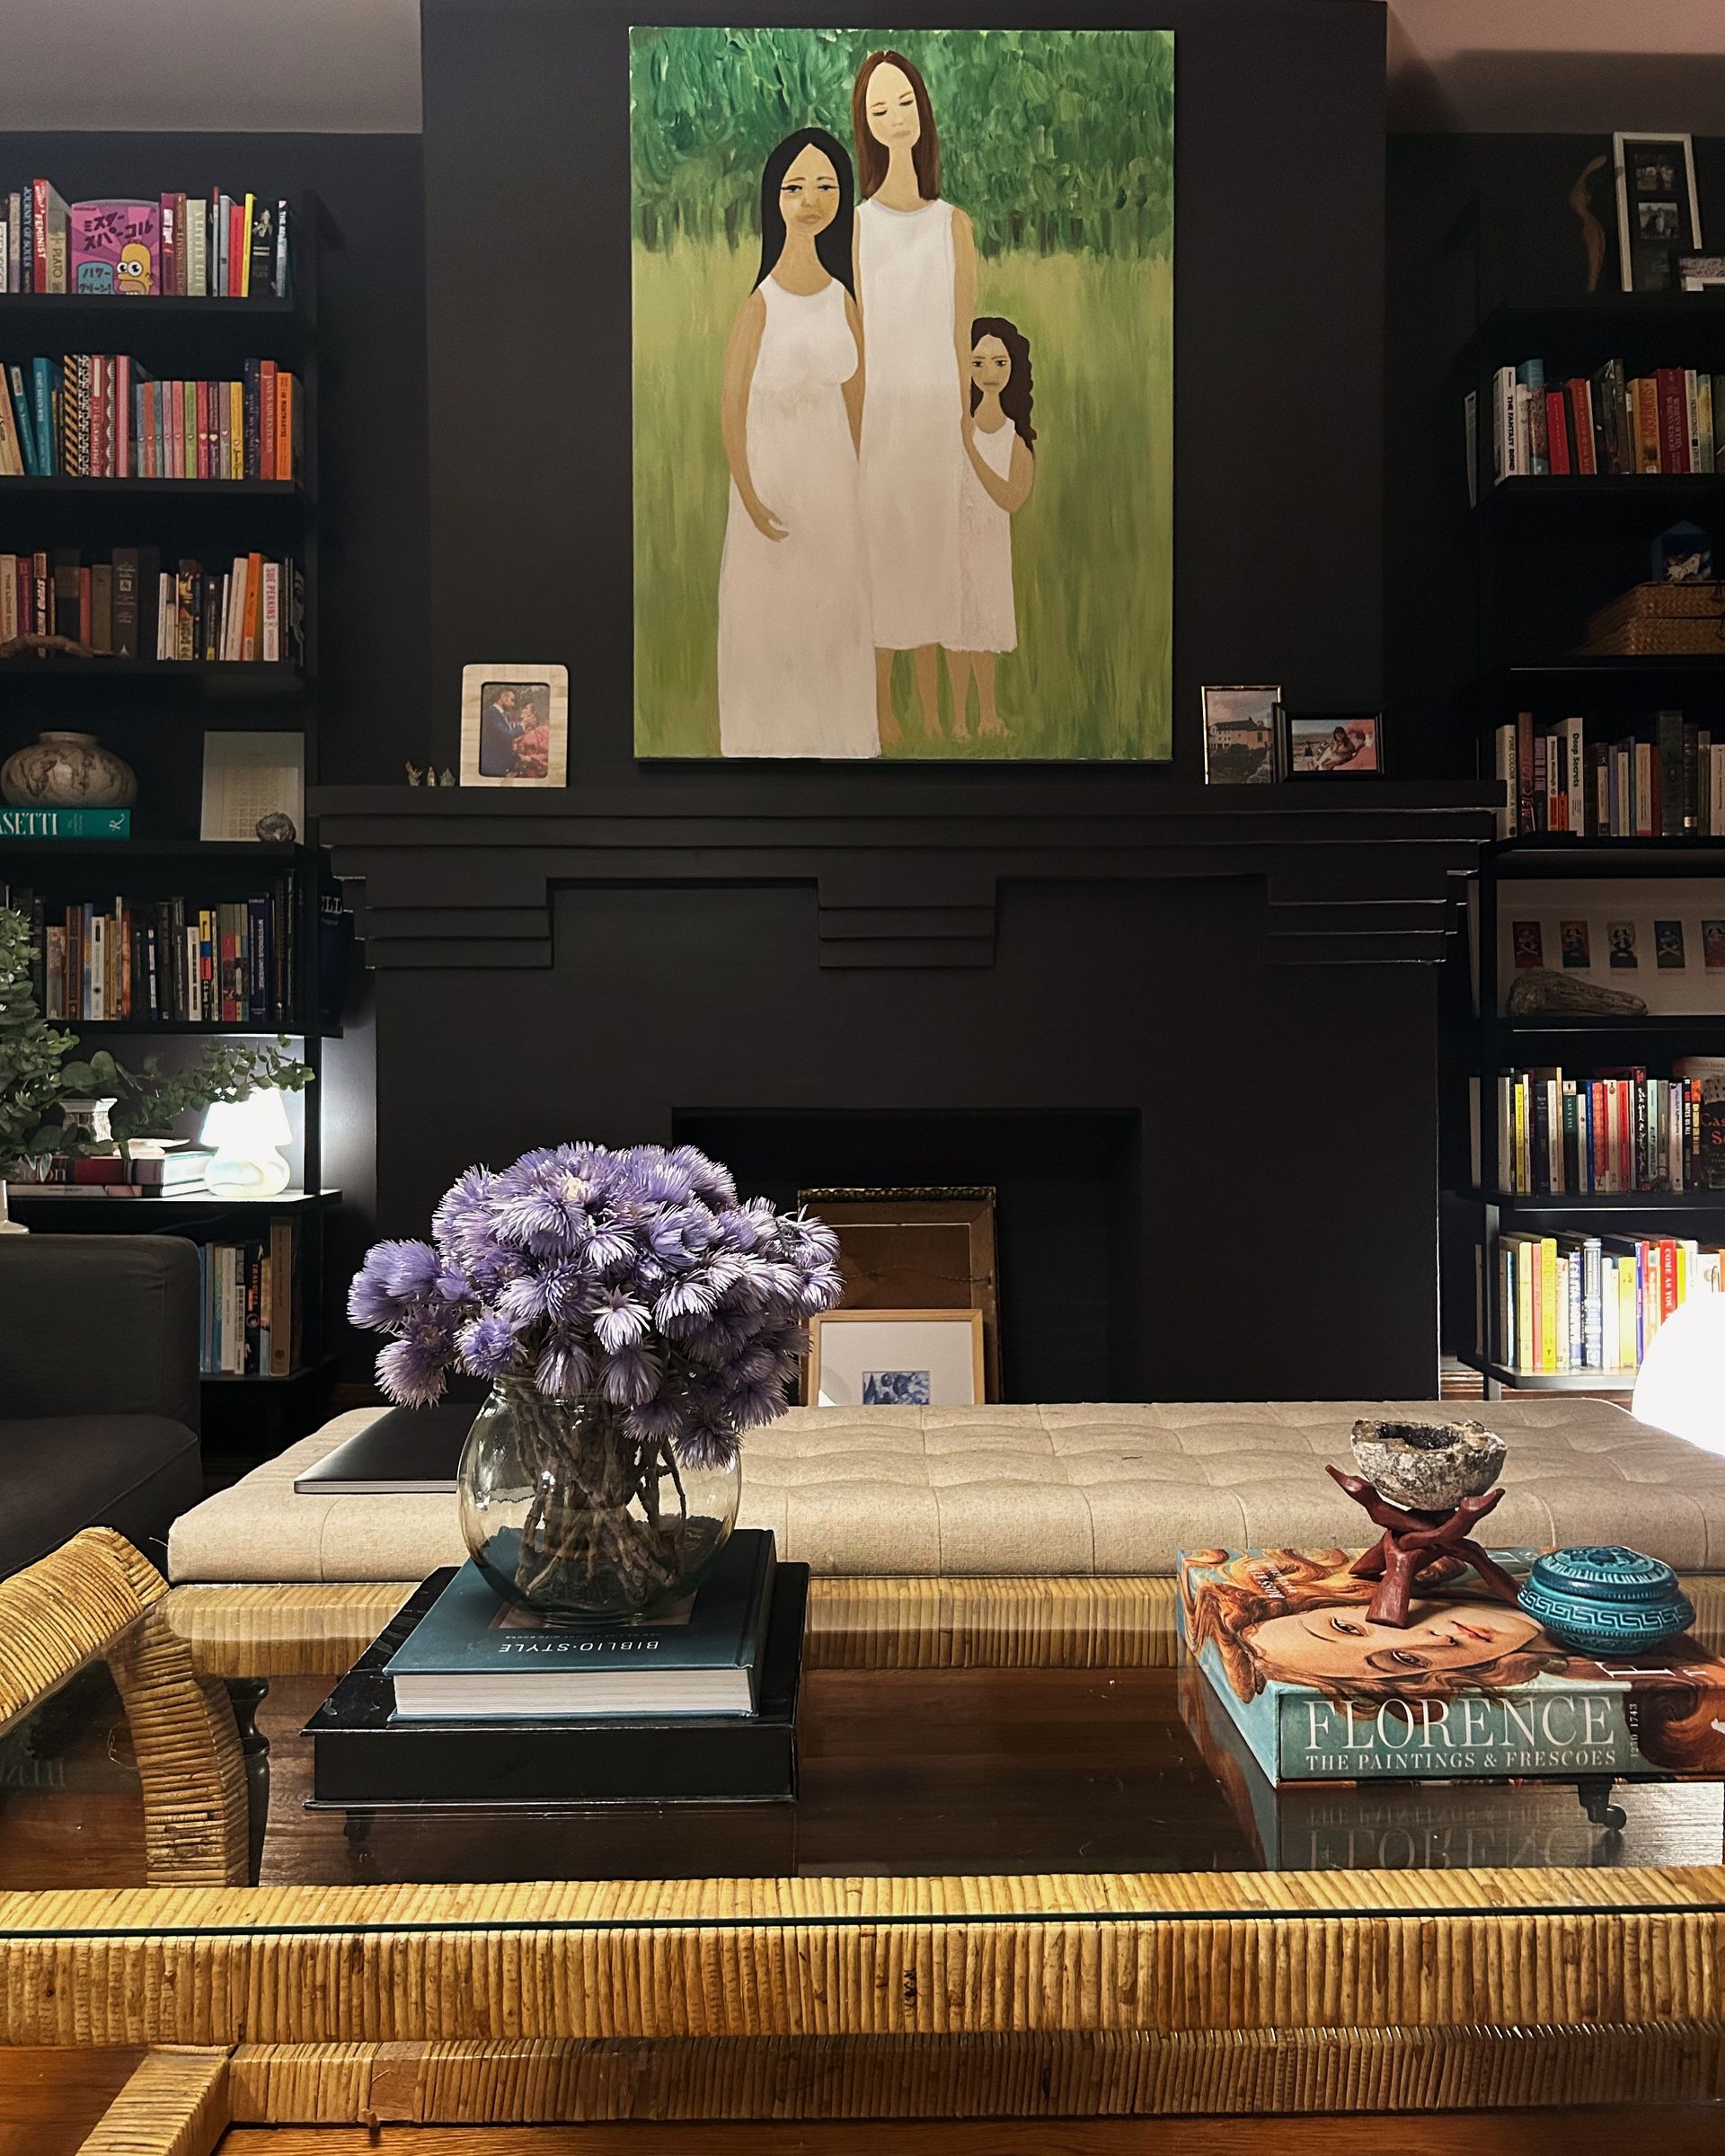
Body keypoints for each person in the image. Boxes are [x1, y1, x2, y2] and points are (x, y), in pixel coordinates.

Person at [715, 128, 877, 759]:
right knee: (771, 618)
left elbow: (859, 399)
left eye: (826, 187)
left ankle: (840, 742)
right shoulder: (760, 305)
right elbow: (731, 408)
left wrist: (858, 486)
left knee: (833, 615)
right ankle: (763, 743)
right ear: (774, 199)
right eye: (795, 187)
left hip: (834, 492)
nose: (810, 200)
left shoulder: (843, 300)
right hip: (772, 488)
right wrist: (751, 496)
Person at [851, 49, 976, 746]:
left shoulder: (952, 225)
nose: (895, 118)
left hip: (934, 426)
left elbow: (960, 333)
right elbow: (859, 333)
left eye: (904, 105)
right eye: (879, 108)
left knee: (932, 565)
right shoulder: (859, 227)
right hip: (880, 425)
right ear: (865, 124)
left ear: (921, 114)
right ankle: (882, 709)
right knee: (881, 565)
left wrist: (959, 422)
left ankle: (930, 713)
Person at [950, 316, 1036, 739]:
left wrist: (970, 449)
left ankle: (987, 716)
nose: (989, 373)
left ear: (1014, 368)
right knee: (957, 630)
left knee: (985, 632)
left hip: (990, 546)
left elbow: (1010, 498)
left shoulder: (1014, 438)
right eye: (978, 363)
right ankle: (959, 722)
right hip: (954, 544)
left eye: (1000, 363)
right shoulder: (953, 429)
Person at [480, 685, 527, 776]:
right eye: (512, 700)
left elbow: (502, 741)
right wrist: (523, 725)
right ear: (503, 698)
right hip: (492, 768)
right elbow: (506, 735)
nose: (513, 705)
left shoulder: (499, 714)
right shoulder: (491, 713)